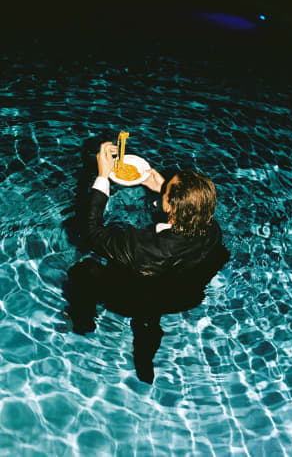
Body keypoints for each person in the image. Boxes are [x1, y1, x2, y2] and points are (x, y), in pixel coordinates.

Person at [64, 141, 230, 383]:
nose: (164, 185)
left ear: (171, 206)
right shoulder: (212, 230)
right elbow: (188, 214)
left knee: (83, 270)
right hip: (179, 297)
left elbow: (90, 231)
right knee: (149, 313)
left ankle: (83, 322)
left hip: (129, 297)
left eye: (167, 190)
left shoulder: (142, 246)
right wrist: (163, 187)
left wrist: (102, 176)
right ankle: (144, 362)